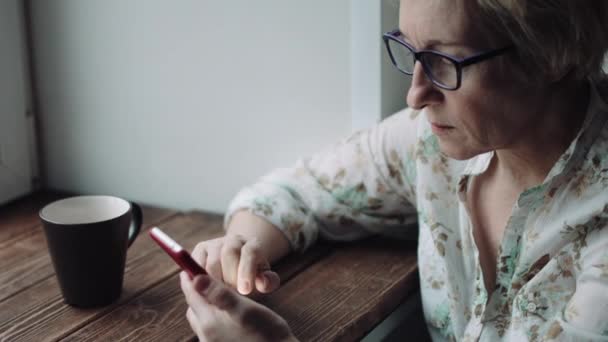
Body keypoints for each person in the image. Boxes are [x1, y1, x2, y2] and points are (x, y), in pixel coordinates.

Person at [180, 0, 608, 340]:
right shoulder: (431, 144)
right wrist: (240, 248)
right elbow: (291, 194)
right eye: (410, 50)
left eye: (446, 62)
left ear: (552, 55)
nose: (415, 94)